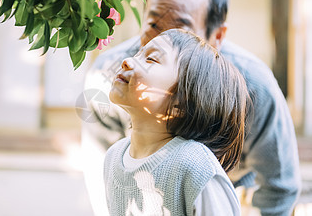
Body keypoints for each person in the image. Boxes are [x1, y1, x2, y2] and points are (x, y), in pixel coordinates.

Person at [82, 0, 301, 216]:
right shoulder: (112, 75)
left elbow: (279, 186)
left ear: (217, 36)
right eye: (153, 25)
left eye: (180, 30)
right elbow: (105, 185)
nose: (163, 40)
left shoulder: (253, 87)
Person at [105, 28, 248, 215]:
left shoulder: (196, 167)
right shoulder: (113, 157)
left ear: (181, 102)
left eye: (151, 60)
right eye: (137, 54)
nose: (127, 61)